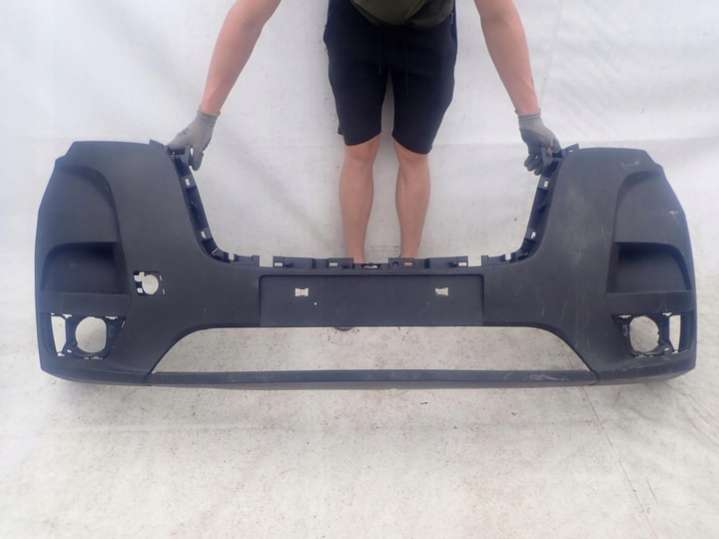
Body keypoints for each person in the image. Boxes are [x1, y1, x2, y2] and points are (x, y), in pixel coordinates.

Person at [169, 0, 560, 263]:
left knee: (413, 154)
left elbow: (498, 16)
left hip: (429, 31)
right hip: (355, 27)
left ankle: (409, 267)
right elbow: (249, 17)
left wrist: (529, 116)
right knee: (360, 149)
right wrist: (206, 117)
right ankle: (353, 268)